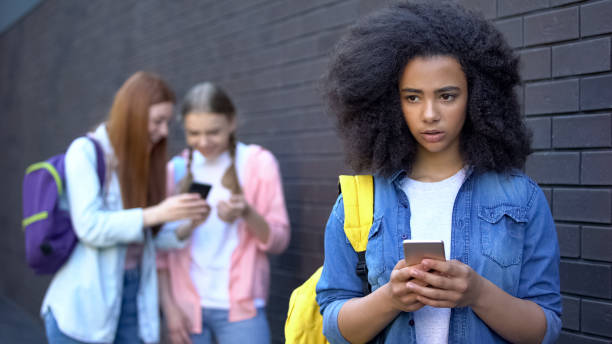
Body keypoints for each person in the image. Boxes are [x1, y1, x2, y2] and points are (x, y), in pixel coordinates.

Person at [316, 2, 562, 343]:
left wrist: (477, 293)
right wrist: (389, 299)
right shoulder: (360, 202)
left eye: (447, 96)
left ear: (477, 97)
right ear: (390, 102)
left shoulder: (521, 198)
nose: (430, 114)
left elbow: (545, 328)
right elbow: (333, 324)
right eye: (413, 97)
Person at [42, 71, 210, 344]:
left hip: (133, 298)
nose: (165, 131)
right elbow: (90, 227)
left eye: (167, 122)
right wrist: (158, 213)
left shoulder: (143, 163)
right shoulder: (85, 151)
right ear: (133, 114)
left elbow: (144, 238)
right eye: (158, 121)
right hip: (83, 308)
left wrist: (186, 224)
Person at [157, 82, 290, 344]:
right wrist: (170, 310)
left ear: (232, 122)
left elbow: (279, 241)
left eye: (213, 132)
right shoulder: (176, 171)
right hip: (185, 309)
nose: (203, 142)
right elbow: (160, 254)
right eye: (194, 133)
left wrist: (247, 213)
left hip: (241, 307)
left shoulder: (257, 163)